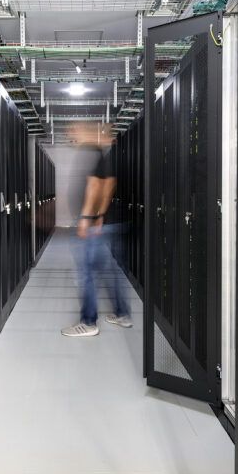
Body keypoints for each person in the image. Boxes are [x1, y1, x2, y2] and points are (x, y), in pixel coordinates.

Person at [62, 123, 132, 337]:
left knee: (87, 273)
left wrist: (89, 217)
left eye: (74, 131)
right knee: (109, 271)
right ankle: (122, 314)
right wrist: (99, 215)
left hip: (94, 225)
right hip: (103, 223)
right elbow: (108, 184)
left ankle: (88, 322)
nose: (72, 136)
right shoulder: (102, 154)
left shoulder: (92, 152)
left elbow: (97, 186)